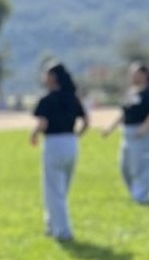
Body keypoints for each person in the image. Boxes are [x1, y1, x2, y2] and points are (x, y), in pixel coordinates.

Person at [30, 62, 88, 241]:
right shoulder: (73, 98)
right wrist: (75, 137)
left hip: (54, 142)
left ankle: (62, 231)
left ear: (53, 78)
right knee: (62, 189)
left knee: (53, 190)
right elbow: (86, 122)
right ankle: (51, 224)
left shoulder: (47, 100)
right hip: (71, 142)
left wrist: (33, 135)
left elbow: (43, 123)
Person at [100, 61, 149, 204]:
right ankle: (135, 191)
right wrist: (110, 129)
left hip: (141, 132)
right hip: (127, 133)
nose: (133, 76)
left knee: (139, 166)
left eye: (136, 73)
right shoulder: (130, 93)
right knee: (125, 167)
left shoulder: (147, 93)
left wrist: (144, 128)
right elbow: (124, 113)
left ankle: (140, 196)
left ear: (144, 75)